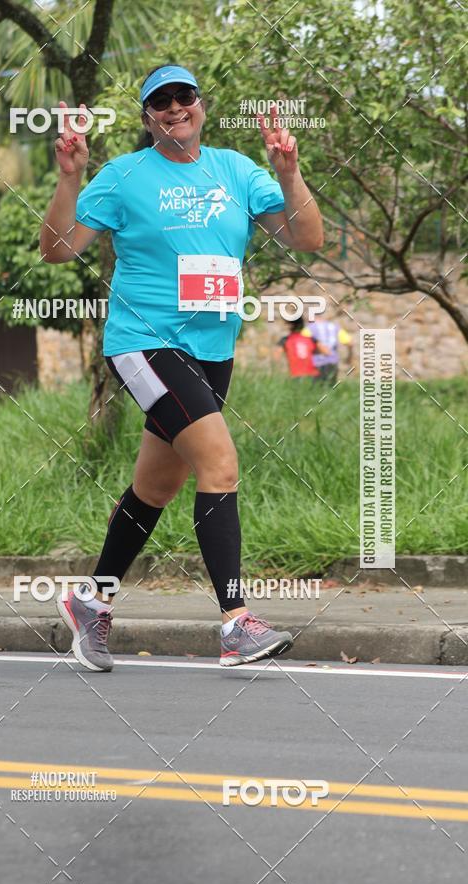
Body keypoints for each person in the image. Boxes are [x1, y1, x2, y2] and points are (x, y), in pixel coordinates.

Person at [40, 65, 324, 672]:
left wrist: (289, 172)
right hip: (143, 343)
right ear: (148, 118)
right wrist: (69, 179)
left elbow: (308, 238)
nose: (174, 109)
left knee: (156, 486)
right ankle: (235, 622)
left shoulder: (237, 171)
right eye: (160, 103)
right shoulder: (123, 176)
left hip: (211, 353)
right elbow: (59, 248)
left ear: (199, 106)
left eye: (183, 98)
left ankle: (92, 599)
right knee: (220, 462)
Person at [277, 315, 328, 380]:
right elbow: (326, 352)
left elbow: (276, 357)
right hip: (313, 375)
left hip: (296, 376)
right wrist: (314, 352)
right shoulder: (311, 339)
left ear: (291, 326)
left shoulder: (285, 340)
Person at [302, 318, 352, 384]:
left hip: (316, 363)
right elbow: (350, 343)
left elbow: (302, 344)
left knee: (316, 388)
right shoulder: (335, 327)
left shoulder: (310, 328)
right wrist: (349, 356)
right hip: (332, 362)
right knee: (330, 388)